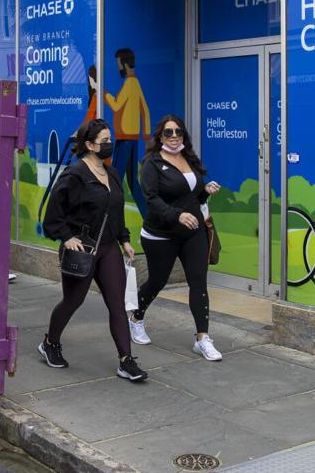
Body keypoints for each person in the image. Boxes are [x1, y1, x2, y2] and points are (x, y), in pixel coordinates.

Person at [40, 118, 148, 382]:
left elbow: (116, 211)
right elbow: (52, 215)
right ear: (89, 145)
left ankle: (126, 360)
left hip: (109, 248)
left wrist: (124, 240)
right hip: (83, 249)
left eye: (110, 140)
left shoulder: (111, 174)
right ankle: (50, 343)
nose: (110, 144)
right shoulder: (74, 175)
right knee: (73, 301)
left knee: (117, 304)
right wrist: (66, 237)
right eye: (105, 141)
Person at [131, 115, 223, 361]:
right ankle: (136, 317)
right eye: (169, 133)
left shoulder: (189, 158)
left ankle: (202, 338)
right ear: (160, 136)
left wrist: (204, 192)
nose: (174, 137)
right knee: (158, 281)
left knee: (198, 281)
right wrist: (177, 215)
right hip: (161, 234)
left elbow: (192, 197)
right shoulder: (152, 163)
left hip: (193, 231)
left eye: (178, 132)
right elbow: (152, 200)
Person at [105, 48, 150, 218]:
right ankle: (148, 219)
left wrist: (103, 94)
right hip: (132, 138)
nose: (118, 68)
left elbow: (116, 105)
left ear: (124, 64)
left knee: (115, 180)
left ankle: (110, 218)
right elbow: (145, 110)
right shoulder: (135, 83)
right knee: (132, 182)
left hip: (125, 139)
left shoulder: (130, 83)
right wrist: (145, 136)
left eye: (118, 64)